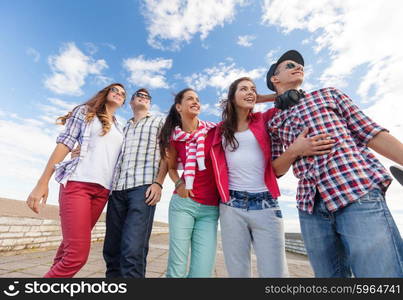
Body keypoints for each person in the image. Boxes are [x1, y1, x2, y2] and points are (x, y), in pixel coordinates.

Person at [265, 49, 403, 277]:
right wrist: (295, 150)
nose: (298, 67)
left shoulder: (328, 94)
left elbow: (371, 132)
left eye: (300, 65)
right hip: (310, 207)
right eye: (289, 65)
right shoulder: (274, 121)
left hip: (355, 191)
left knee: (380, 275)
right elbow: (275, 170)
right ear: (274, 78)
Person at [210, 77, 335, 277]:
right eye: (243, 89)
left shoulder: (265, 118)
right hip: (230, 207)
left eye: (253, 89)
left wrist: (258, 98)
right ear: (231, 97)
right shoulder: (218, 131)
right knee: (237, 273)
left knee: (275, 273)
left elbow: (292, 96)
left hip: (266, 205)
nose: (250, 91)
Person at [26, 83, 126, 277]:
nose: (119, 94)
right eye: (115, 90)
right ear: (105, 93)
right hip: (78, 184)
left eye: (123, 93)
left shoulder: (120, 127)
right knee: (76, 257)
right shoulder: (86, 112)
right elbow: (65, 143)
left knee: (67, 250)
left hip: (103, 191)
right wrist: (42, 182)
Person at [102, 88, 168, 278]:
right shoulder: (122, 128)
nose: (143, 98)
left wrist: (158, 183)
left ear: (150, 103)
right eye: (139, 95)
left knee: (133, 249)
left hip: (143, 188)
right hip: (117, 189)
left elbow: (168, 153)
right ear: (130, 103)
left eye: (147, 97)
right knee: (112, 249)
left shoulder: (159, 121)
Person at [159, 88, 220, 278]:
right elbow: (171, 168)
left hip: (210, 209)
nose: (196, 102)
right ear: (179, 107)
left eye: (198, 99)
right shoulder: (175, 138)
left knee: (202, 273)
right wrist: (179, 185)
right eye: (190, 99)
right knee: (176, 269)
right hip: (183, 204)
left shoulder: (214, 131)